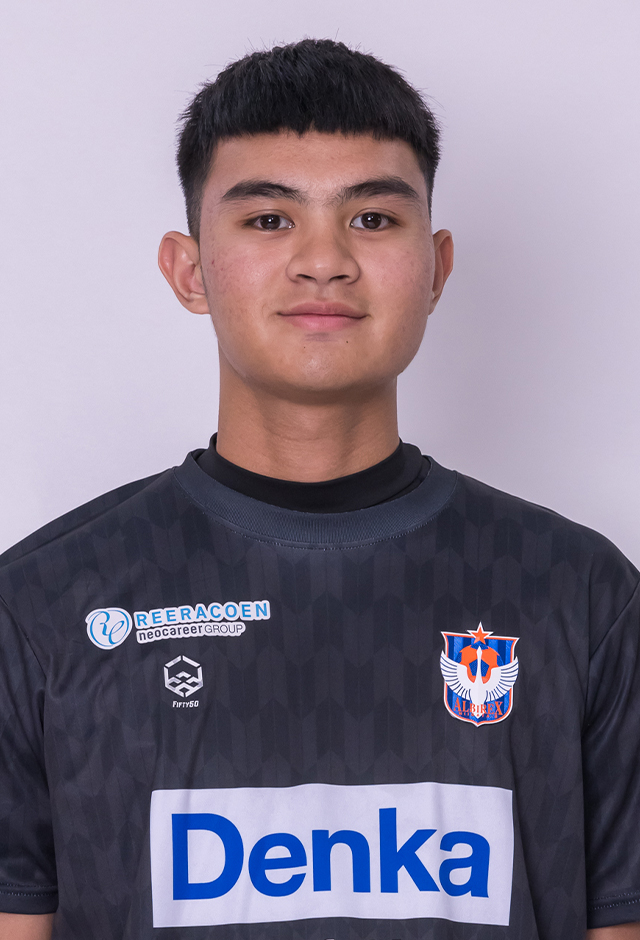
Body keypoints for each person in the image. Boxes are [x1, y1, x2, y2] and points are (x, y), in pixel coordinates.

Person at [0, 38, 638, 940]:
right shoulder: (42, 602)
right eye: (269, 219)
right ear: (189, 270)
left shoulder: (580, 592)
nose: (324, 260)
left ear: (436, 267)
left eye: (372, 218)